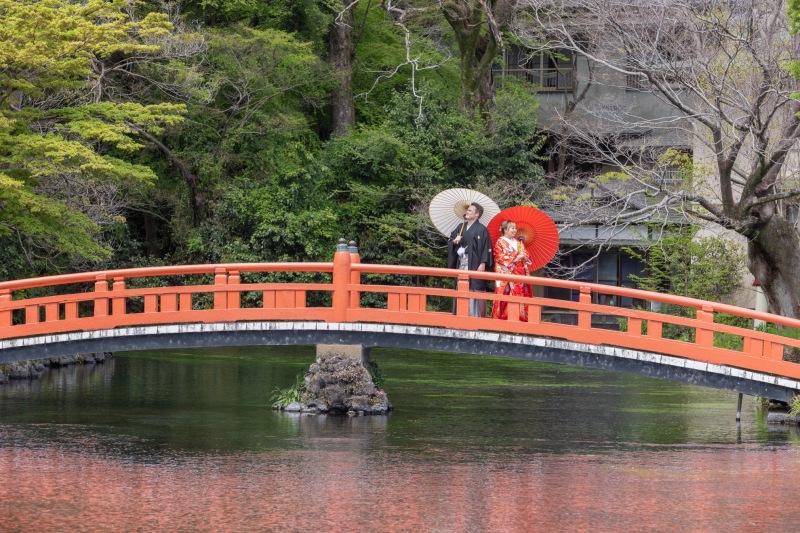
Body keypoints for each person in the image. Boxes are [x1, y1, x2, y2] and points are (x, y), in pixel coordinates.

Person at [447, 202, 492, 317]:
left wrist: (483, 264)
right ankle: (460, 315)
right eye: (467, 210)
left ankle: (475, 316)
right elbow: (452, 242)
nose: (467, 212)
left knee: (475, 287)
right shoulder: (460, 227)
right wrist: (454, 242)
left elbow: (486, 247)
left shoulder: (482, 229)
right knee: (461, 285)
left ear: (477, 214)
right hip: (462, 262)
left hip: (475, 263)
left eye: (470, 210)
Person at [491, 220, 532, 321]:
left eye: (515, 228)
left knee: (519, 294)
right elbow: (499, 257)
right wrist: (516, 258)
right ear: (505, 230)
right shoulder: (500, 242)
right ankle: (502, 317)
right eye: (512, 228)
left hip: (518, 273)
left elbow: (527, 256)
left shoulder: (519, 243)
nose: (515, 230)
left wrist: (524, 255)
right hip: (506, 271)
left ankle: (519, 317)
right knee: (505, 294)